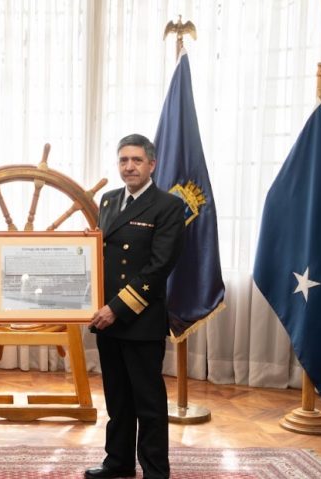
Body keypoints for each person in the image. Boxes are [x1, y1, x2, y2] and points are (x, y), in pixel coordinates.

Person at [86, 134, 185, 479]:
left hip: (139, 319)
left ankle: (156, 471)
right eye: (124, 160)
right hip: (107, 319)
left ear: (152, 165)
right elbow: (102, 256)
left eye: (137, 160)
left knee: (149, 402)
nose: (129, 166)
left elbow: (158, 268)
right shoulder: (109, 200)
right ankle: (119, 462)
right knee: (117, 399)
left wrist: (117, 308)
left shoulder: (169, 206)